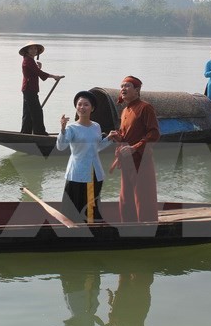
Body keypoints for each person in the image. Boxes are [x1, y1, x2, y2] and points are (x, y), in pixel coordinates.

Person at [56, 91, 117, 223]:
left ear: (92, 108)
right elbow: (61, 147)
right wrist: (62, 130)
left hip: (95, 171)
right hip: (77, 172)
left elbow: (96, 147)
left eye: (86, 105)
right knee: (74, 205)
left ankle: (92, 227)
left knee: (92, 204)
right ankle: (72, 229)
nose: (82, 107)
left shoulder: (96, 126)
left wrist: (108, 139)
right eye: (79, 104)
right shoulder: (71, 128)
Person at [108, 76, 160, 222]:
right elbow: (127, 135)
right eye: (121, 86)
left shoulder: (145, 108)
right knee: (126, 199)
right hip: (126, 161)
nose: (123, 89)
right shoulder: (125, 110)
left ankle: (147, 230)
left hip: (141, 160)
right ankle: (128, 228)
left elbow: (154, 134)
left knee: (144, 199)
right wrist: (118, 137)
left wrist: (134, 148)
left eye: (127, 86)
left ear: (137, 90)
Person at [19, 41, 64, 135]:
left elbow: (35, 72)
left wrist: (38, 68)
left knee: (28, 113)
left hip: (29, 89)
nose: (33, 50)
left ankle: (25, 133)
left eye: (35, 48)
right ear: (27, 50)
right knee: (37, 112)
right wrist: (54, 76)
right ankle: (40, 133)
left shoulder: (30, 61)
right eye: (31, 48)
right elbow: (40, 74)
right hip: (29, 89)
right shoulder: (28, 60)